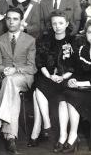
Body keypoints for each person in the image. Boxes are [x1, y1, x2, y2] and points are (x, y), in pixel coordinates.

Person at [54, 19, 91, 153]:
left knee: (72, 97)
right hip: (82, 89)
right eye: (89, 32)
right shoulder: (82, 50)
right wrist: (72, 80)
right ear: (85, 34)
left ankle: (73, 136)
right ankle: (63, 136)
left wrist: (80, 84)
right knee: (62, 97)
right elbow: (75, 71)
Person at [0, 7, 37, 154]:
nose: (11, 21)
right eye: (8, 18)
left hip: (24, 78)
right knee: (10, 85)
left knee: (11, 82)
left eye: (15, 19)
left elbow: (31, 67)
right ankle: (11, 138)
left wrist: (16, 70)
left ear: (21, 21)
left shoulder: (30, 40)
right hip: (6, 79)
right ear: (5, 20)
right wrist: (4, 70)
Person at [28, 10, 76, 147]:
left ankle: (37, 132)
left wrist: (62, 77)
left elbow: (74, 66)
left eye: (61, 23)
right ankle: (47, 122)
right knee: (38, 87)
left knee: (36, 93)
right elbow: (40, 62)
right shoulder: (44, 39)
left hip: (66, 77)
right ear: (51, 25)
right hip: (47, 75)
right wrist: (49, 76)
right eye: (54, 23)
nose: (57, 26)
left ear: (67, 24)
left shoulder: (73, 40)